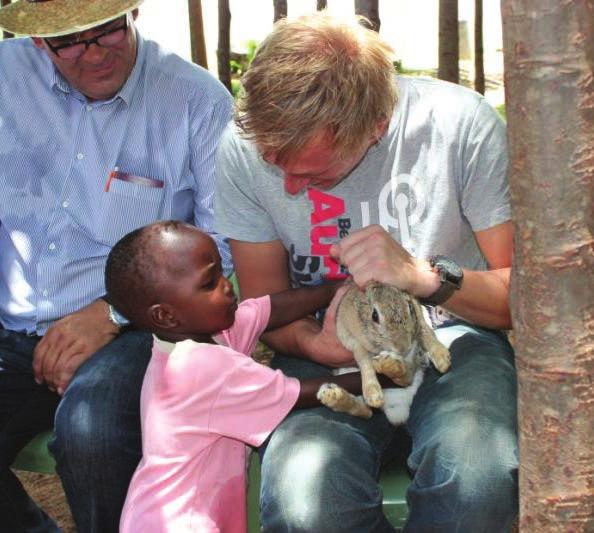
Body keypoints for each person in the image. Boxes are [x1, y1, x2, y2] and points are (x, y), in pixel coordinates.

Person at [214, 13, 518, 533]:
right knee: (304, 501)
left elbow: (521, 299)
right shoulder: (243, 151)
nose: (289, 187)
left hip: (452, 338)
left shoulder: (460, 125)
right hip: (331, 353)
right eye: (276, 165)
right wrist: (317, 345)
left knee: (476, 477)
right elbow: (263, 308)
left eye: (312, 173)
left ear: (375, 127)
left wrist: (422, 276)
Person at [0, 1, 233, 531]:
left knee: (93, 432)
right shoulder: (4, 78)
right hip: (11, 327)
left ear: (131, 14)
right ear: (40, 41)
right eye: (71, 41)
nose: (95, 52)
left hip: (141, 328)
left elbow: (227, 246)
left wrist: (112, 315)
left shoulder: (197, 100)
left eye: (107, 30)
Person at [106, 220, 371, 533]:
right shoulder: (198, 365)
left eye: (221, 271)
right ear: (166, 315)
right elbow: (301, 393)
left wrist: (333, 290)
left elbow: (267, 309)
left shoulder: (205, 333)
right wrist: (379, 377)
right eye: (209, 283)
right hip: (182, 522)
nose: (227, 285)